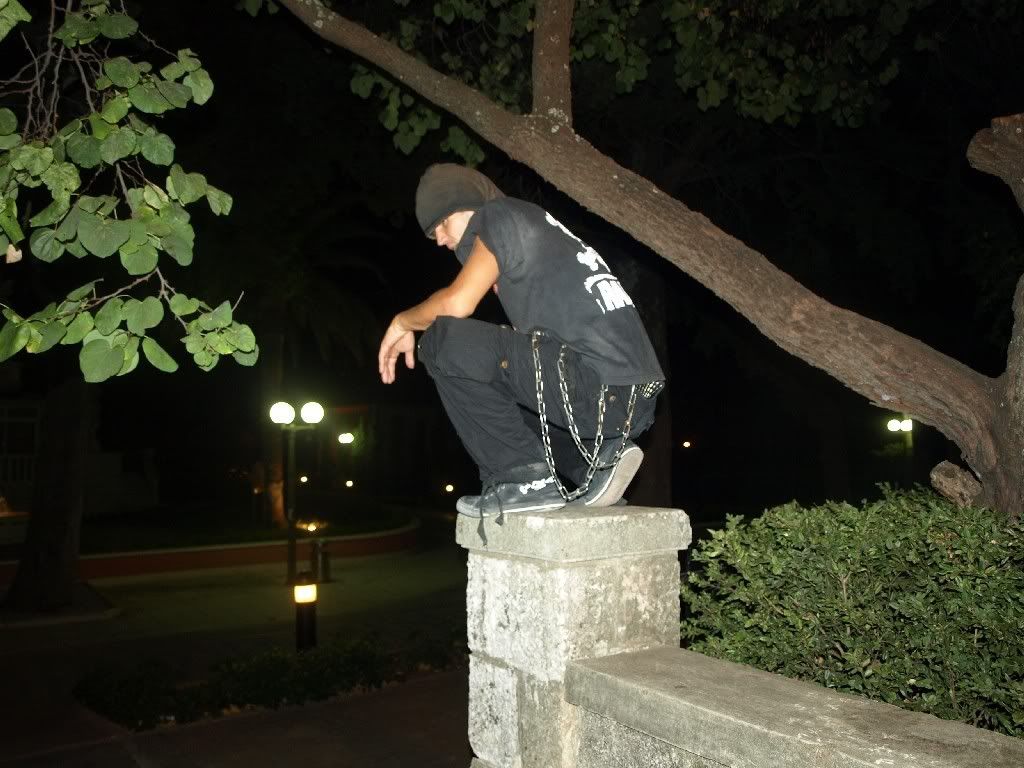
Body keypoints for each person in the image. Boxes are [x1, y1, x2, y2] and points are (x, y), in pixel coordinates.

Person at [378, 164, 664, 533]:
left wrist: (402, 322)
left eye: (442, 225)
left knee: (442, 341)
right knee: (497, 382)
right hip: (630, 398)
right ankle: (595, 462)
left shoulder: (499, 215)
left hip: (598, 387)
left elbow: (457, 303)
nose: (440, 241)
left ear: (467, 206)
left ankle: (521, 478)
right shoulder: (540, 233)